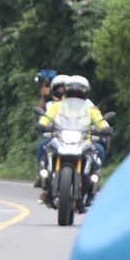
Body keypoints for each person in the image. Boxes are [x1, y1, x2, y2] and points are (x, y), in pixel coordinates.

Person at [38, 74, 112, 206]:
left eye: (78, 93)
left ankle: (92, 189)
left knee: (95, 160)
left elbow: (100, 121)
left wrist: (105, 128)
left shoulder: (89, 108)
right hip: (61, 138)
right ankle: (45, 181)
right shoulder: (57, 106)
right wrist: (41, 125)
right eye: (72, 92)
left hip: (83, 141)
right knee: (47, 152)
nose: (75, 96)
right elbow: (47, 117)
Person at [33, 68, 58, 185]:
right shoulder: (50, 104)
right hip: (52, 134)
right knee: (42, 145)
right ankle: (41, 173)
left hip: (69, 136)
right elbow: (42, 112)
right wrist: (43, 96)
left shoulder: (72, 104)